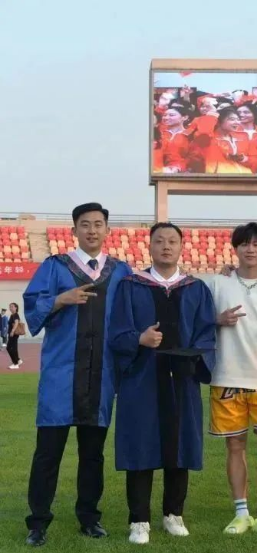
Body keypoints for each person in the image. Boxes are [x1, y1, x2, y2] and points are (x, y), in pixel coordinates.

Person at [22, 202, 132, 547]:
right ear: (74, 231)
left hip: (101, 375)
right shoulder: (55, 267)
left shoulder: (121, 271)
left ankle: (89, 518)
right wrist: (60, 299)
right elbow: (32, 308)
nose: (92, 230)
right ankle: (38, 522)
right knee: (47, 454)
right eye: (85, 224)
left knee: (93, 455)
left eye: (98, 224)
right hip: (61, 375)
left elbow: (131, 318)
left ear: (108, 230)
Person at [109, 222, 216, 545]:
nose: (166, 246)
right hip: (141, 379)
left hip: (182, 379)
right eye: (159, 241)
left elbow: (206, 333)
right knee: (140, 447)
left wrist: (193, 359)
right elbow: (117, 332)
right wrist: (139, 339)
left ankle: (173, 514)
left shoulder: (196, 288)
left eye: (172, 241)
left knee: (179, 446)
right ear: (150, 246)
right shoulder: (130, 286)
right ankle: (139, 520)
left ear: (182, 247)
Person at [208, 223, 257, 538]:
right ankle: (241, 513)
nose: (250, 249)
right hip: (227, 377)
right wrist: (216, 320)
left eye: (256, 244)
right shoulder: (218, 283)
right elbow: (197, 319)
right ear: (235, 248)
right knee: (235, 444)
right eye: (244, 244)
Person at [190, 108, 257, 174]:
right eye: (232, 119)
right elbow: (195, 160)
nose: (237, 122)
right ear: (219, 121)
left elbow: (256, 160)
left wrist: (243, 159)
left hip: (245, 178)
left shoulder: (243, 139)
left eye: (238, 119)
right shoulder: (209, 140)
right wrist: (211, 116)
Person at [7, 302, 23, 369]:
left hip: (13, 334)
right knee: (13, 348)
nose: (10, 308)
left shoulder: (15, 315)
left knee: (10, 348)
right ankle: (18, 360)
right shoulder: (12, 315)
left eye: (12, 306)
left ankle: (15, 364)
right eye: (10, 307)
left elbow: (16, 323)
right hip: (12, 334)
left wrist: (12, 331)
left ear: (16, 308)